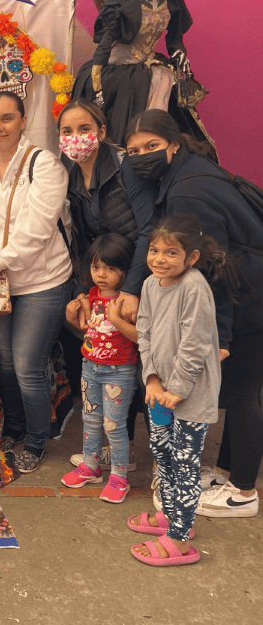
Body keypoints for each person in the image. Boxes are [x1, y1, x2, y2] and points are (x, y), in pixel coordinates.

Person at [124, 109, 263, 517]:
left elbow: (213, 267)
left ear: (174, 144)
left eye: (151, 146)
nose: (141, 156)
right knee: (245, 392)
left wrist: (219, 336)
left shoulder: (188, 190)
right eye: (133, 151)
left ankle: (242, 493)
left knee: (241, 396)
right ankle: (226, 472)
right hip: (251, 294)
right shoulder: (195, 171)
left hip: (250, 300)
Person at [0, 91, 72, 474]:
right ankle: (15, 427)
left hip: (43, 281)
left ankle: (38, 441)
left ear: (23, 120)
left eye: (7, 118)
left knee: (27, 365)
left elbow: (37, 231)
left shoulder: (45, 165)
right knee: (5, 362)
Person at [58, 99, 156, 472]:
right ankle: (121, 455)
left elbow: (148, 227)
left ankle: (164, 464)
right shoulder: (69, 172)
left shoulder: (124, 167)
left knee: (147, 365)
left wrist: (133, 288)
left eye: (84, 129)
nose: (76, 138)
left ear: (101, 131)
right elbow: (83, 239)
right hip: (107, 282)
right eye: (67, 131)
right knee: (113, 360)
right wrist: (85, 290)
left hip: (143, 277)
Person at [129, 214, 233, 566]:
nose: (160, 259)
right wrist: (152, 378)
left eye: (171, 253)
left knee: (185, 463)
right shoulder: (148, 285)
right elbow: (144, 332)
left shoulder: (194, 286)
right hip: (159, 391)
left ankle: (181, 537)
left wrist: (178, 387)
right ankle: (171, 516)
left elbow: (196, 342)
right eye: (155, 250)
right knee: (162, 452)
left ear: (191, 258)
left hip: (189, 394)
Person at [71, 0, 222, 148]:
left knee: (159, 133)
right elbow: (105, 43)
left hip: (151, 75)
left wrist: (179, 53)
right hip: (116, 79)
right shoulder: (121, 0)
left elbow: (174, 37)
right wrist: (96, 82)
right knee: (117, 138)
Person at [62, 234, 139, 503]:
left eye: (110, 269)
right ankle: (91, 467)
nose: (101, 275)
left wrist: (116, 318)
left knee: (114, 427)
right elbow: (88, 330)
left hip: (119, 371)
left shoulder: (129, 301)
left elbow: (140, 336)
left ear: (125, 271)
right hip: (89, 367)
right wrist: (72, 316)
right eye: (96, 267)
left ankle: (119, 476)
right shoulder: (92, 296)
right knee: (91, 420)